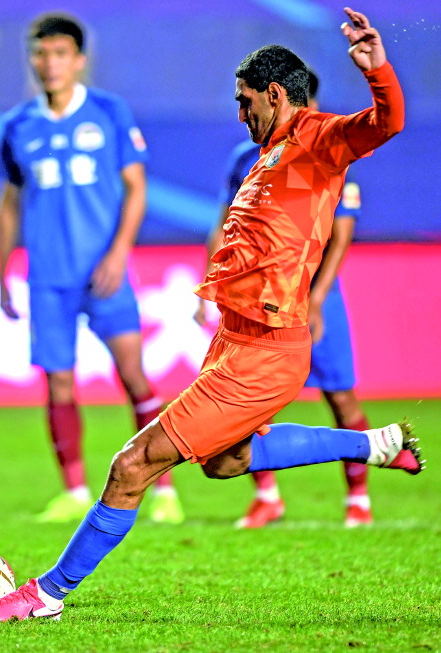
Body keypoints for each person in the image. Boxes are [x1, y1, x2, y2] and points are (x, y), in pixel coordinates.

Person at [0, 8, 424, 622]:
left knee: (131, 466)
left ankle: (45, 595)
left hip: (268, 349)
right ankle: (371, 444)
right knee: (224, 462)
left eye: (245, 102)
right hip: (236, 340)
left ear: (275, 94)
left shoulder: (320, 138)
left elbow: (387, 122)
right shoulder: (264, 153)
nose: (240, 114)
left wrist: (377, 71)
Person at [0, 13, 184, 525]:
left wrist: (119, 252)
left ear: (78, 60)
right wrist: (4, 269)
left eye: (59, 53)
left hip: (104, 274)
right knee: (58, 384)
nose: (49, 63)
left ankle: (163, 491)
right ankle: (74, 492)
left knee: (133, 374)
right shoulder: (18, 125)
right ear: (32, 59)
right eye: (40, 53)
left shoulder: (108, 112)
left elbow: (136, 187)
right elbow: (10, 201)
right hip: (48, 277)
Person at [194, 70, 373, 529]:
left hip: (311, 296)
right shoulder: (246, 158)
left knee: (341, 397)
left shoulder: (329, 153)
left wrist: (318, 299)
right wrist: (208, 288)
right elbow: (224, 225)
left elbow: (341, 234)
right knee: (249, 408)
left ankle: (358, 499)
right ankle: (267, 497)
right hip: (257, 303)